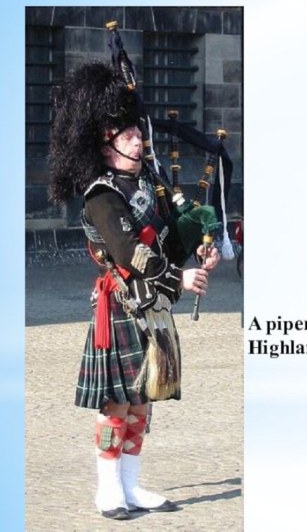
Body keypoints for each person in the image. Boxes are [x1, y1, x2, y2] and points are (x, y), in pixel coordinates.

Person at [48, 63, 221, 519]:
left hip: (152, 307)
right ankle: (107, 490)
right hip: (122, 303)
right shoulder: (101, 195)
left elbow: (169, 240)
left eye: (135, 133)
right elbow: (132, 255)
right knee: (116, 403)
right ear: (105, 147)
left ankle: (131, 484)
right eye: (125, 136)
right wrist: (178, 278)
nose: (136, 140)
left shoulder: (150, 184)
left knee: (142, 399)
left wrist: (200, 250)